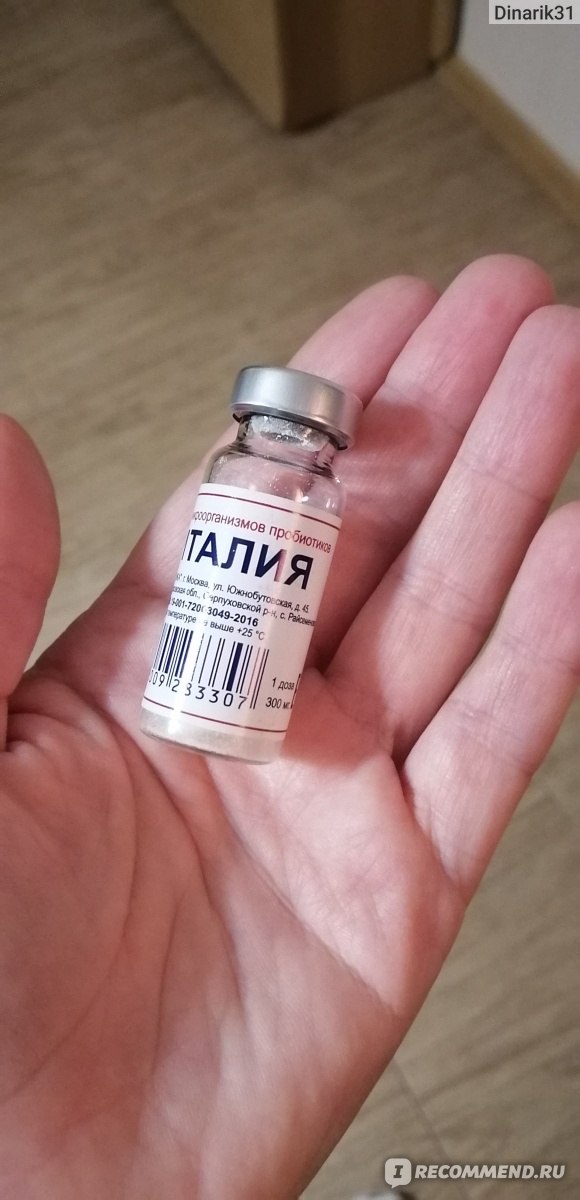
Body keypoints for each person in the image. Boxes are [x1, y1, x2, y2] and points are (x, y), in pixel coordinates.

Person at [0, 254, 578, 1199]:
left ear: (328, 445)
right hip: (184, 692)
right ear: (253, 424)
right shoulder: (239, 473)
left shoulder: (314, 493)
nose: (292, 450)